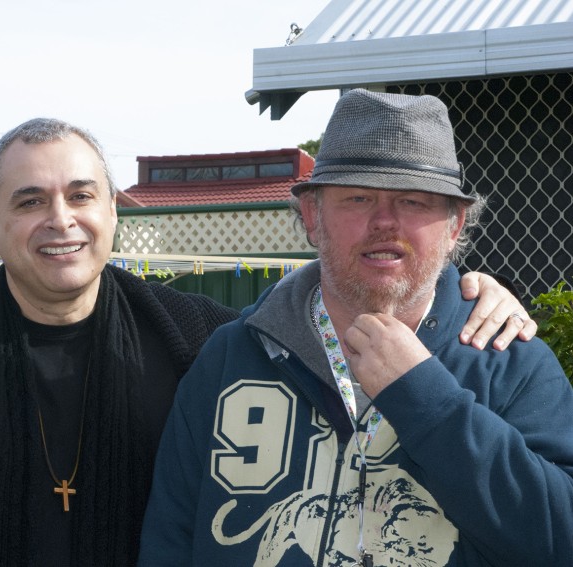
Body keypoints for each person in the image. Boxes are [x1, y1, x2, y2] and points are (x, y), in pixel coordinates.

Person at [0, 117, 534, 566]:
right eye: (29, 200)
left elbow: (352, 300)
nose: (59, 219)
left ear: (112, 212)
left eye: (80, 195)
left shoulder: (194, 335)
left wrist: (460, 288)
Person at [139, 90, 573, 566]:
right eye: (358, 197)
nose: (384, 221)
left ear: (455, 225)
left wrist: (428, 401)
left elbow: (560, 539)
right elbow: (170, 537)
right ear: (311, 215)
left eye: (413, 200)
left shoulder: (512, 360)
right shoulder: (230, 357)